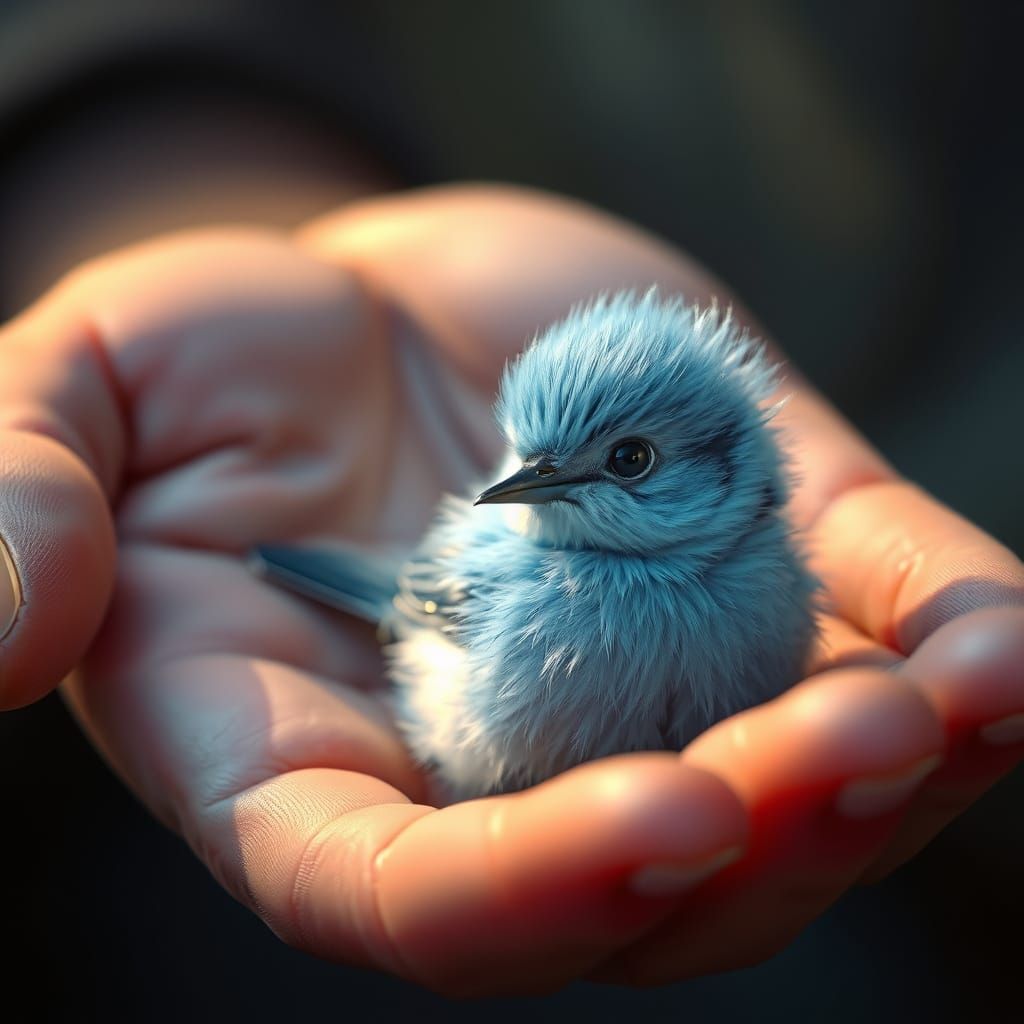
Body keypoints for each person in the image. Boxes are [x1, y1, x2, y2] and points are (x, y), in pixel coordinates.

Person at [0, 183, 1021, 995]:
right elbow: (426, 604)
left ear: (731, 469)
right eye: (533, 457)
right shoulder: (525, 569)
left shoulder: (783, 583)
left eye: (625, 461)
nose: (538, 486)